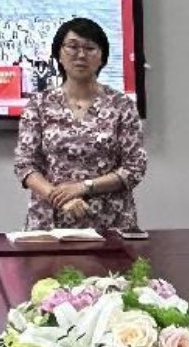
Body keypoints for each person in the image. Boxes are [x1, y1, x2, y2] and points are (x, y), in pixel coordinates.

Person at [14, 17, 146, 232]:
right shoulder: (39, 104)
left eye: (90, 48)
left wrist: (83, 187)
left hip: (110, 222)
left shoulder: (122, 105)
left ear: (102, 57)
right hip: (50, 221)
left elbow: (135, 167)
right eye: (73, 47)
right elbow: (25, 165)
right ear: (59, 54)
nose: (81, 55)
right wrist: (60, 197)